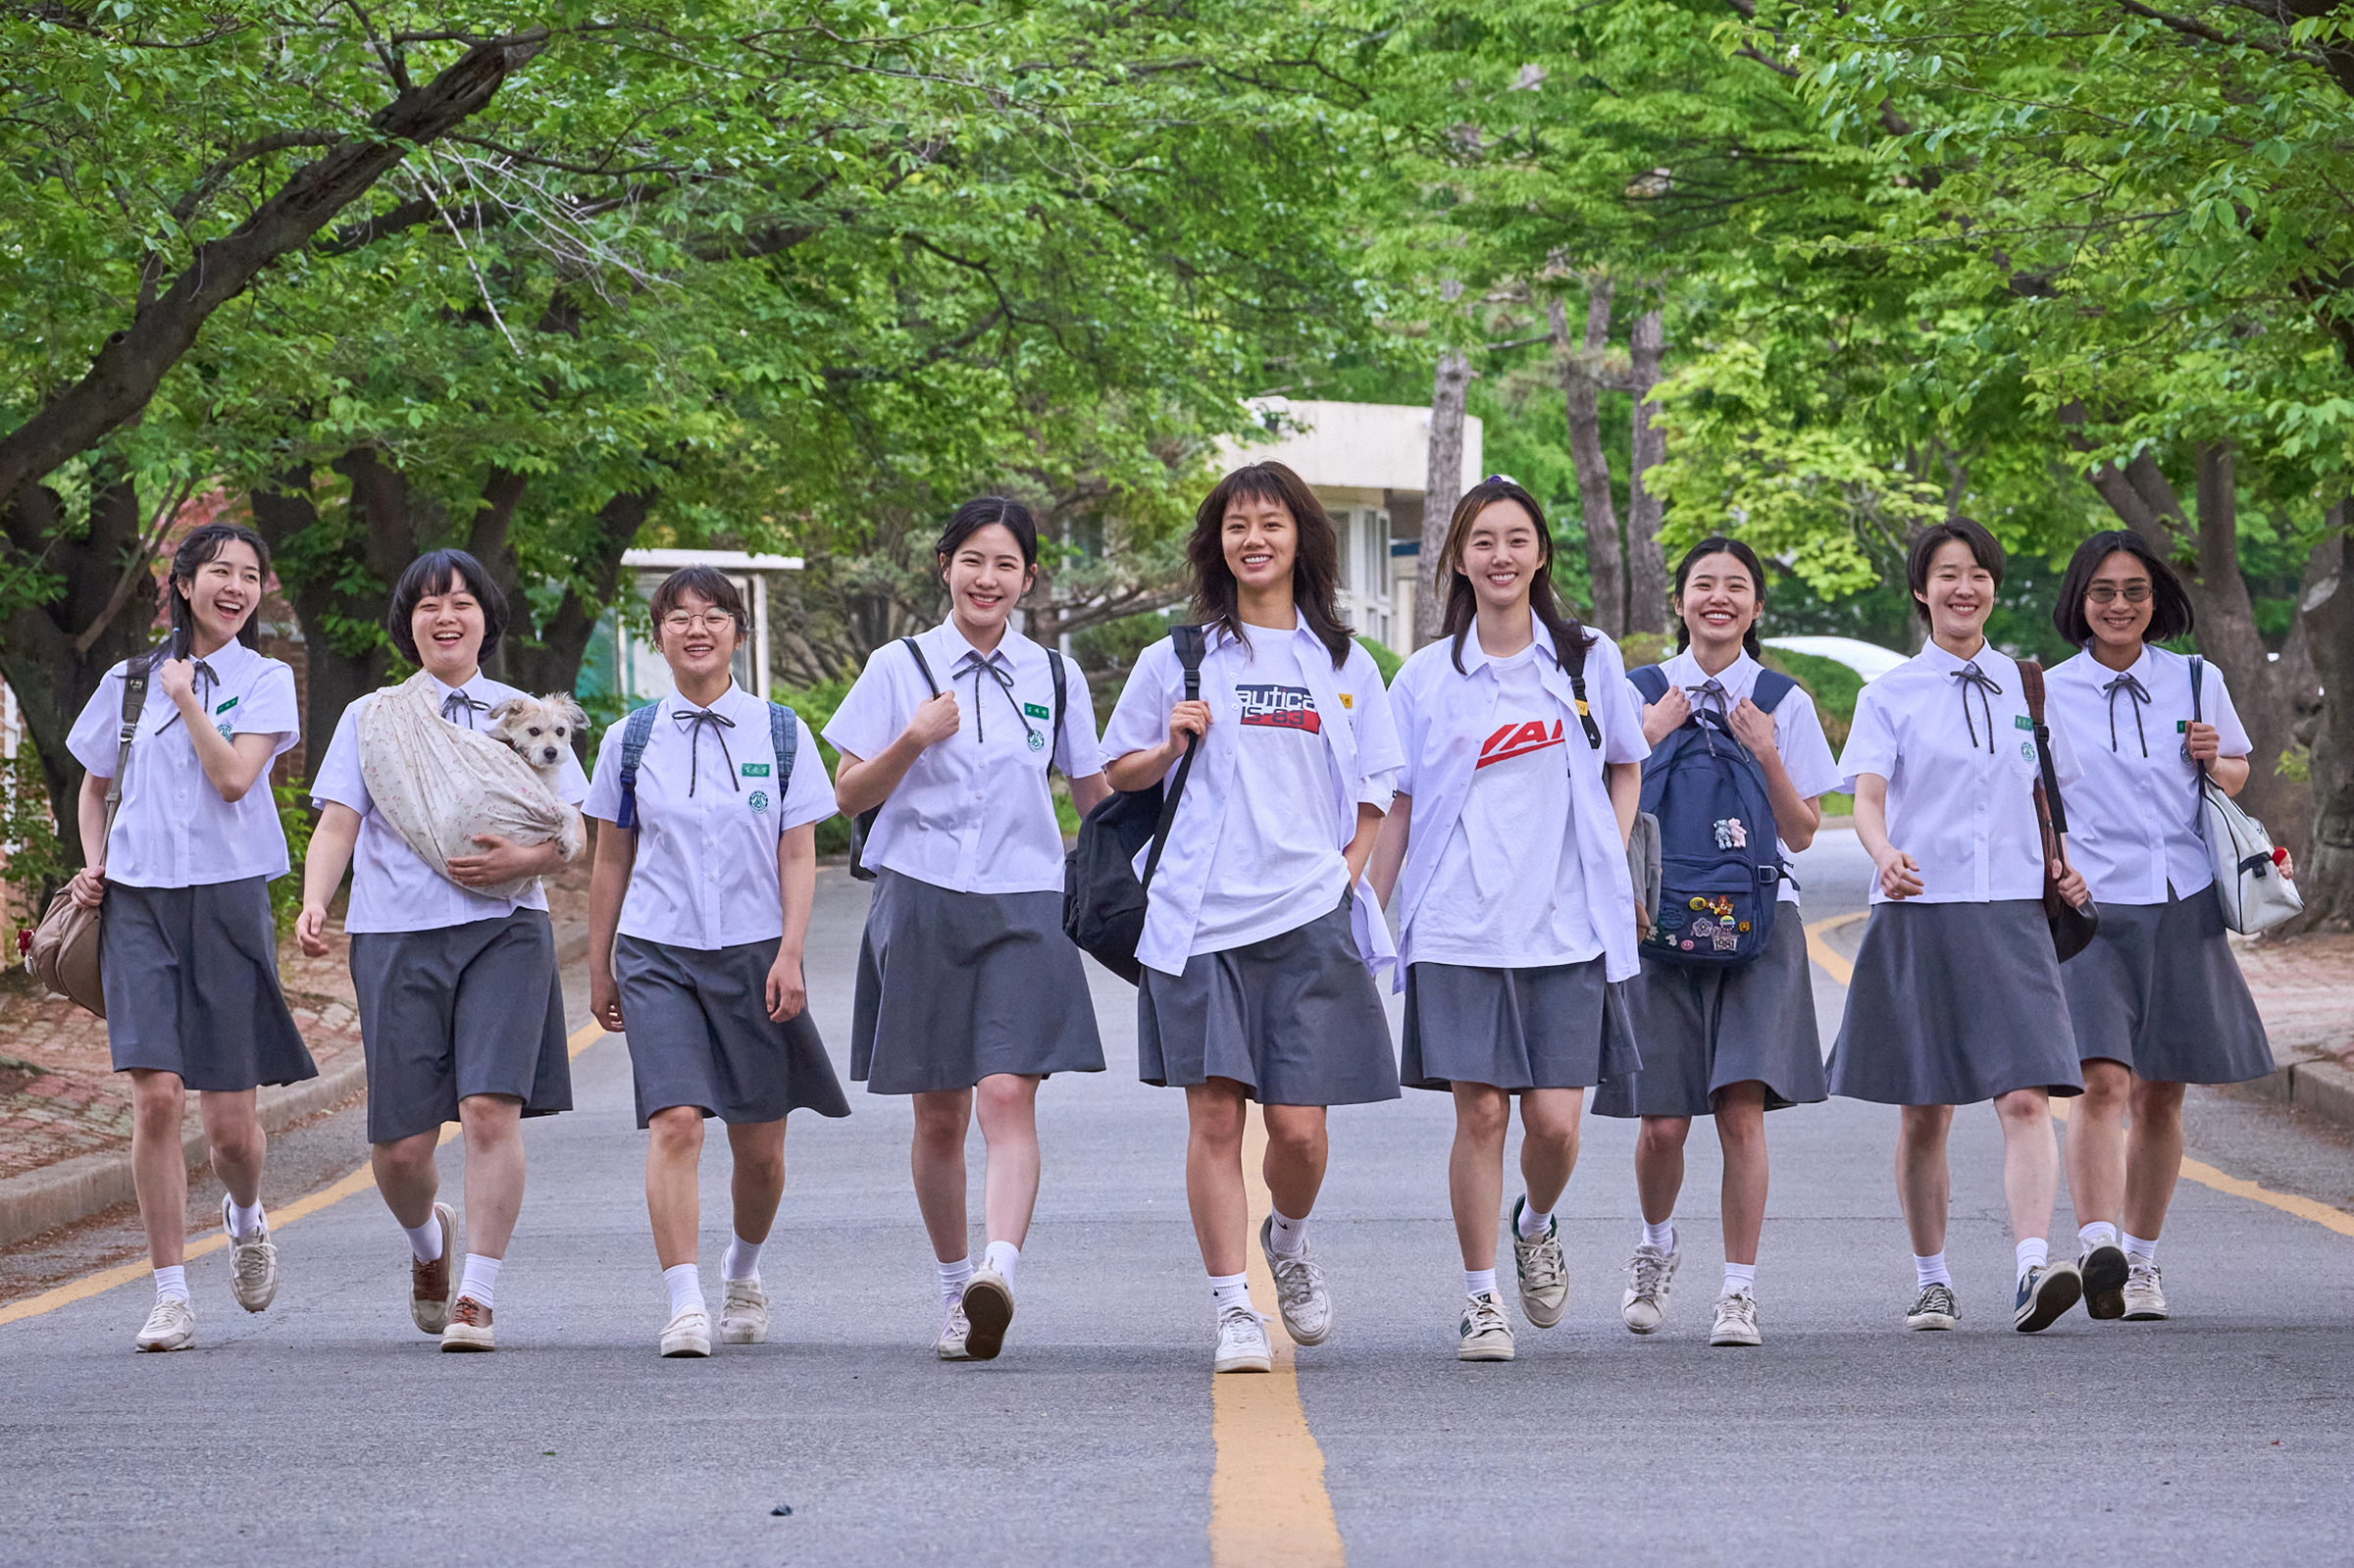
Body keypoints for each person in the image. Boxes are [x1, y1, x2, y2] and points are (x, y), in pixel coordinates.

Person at [1101, 461, 1403, 1376]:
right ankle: (1234, 1305)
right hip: (1198, 918)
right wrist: (1168, 743)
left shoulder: (1344, 662)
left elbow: (1377, 787)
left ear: (1301, 538)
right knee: (1218, 1120)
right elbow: (1117, 774)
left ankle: (1290, 1238)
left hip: (1307, 917)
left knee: (1302, 1131)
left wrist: (1341, 878)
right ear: (1216, 544)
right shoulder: (1179, 656)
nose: (1253, 539)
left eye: (1270, 523)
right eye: (1237, 525)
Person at [1368, 477, 1646, 1363]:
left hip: (1564, 928)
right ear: (1459, 556)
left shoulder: (1585, 659)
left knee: (1556, 1123)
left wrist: (1607, 850)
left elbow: (1627, 764)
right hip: (1457, 925)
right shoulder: (1425, 677)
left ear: (1540, 553)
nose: (1500, 555)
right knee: (1481, 1112)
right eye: (1483, 540)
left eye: (1516, 538)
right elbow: (1399, 804)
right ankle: (1481, 1297)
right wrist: (1369, 908)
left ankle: (1537, 1221)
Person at [825, 498, 1107, 1362]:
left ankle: (999, 1271)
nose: (989, 579)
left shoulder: (1054, 675)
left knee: (1007, 1094)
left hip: (1026, 901)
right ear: (945, 565)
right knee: (939, 1113)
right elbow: (846, 793)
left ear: (1029, 578)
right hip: (921, 898)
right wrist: (913, 737)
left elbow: (1094, 799)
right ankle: (955, 1288)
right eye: (973, 561)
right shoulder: (897, 665)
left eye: (1007, 564)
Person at [298, 549, 586, 1352]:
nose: (445, 616)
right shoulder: (374, 715)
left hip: (506, 930)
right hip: (395, 934)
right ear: (409, 624)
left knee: (490, 1109)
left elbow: (573, 833)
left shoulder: (528, 712)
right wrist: (318, 896)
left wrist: (517, 863)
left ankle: (476, 1297)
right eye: (428, 605)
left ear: (486, 617)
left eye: (460, 601)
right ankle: (430, 1243)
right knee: (399, 1148)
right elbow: (338, 823)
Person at [1829, 518, 2094, 1335]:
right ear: (1922, 589)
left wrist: (2065, 864)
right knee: (1926, 1109)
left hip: (2013, 912)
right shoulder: (1891, 694)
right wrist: (1883, 854)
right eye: (1947, 573)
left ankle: (2028, 1269)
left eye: (1978, 573)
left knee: (2024, 1096)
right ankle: (1932, 1276)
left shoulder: (2030, 687)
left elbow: (2052, 798)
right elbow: (1866, 796)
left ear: (1992, 586)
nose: (1964, 587)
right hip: (1921, 913)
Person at [587, 566, 849, 1358]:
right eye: (679, 617)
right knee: (675, 1122)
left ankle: (743, 1269)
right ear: (658, 632)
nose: (696, 629)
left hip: (754, 952)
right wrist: (600, 966)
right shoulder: (630, 739)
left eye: (712, 615)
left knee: (761, 1150)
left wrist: (792, 950)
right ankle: (685, 1301)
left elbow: (798, 852)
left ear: (738, 630)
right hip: (657, 951)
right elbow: (609, 862)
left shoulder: (780, 730)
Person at [65, 523, 311, 1351]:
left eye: (250, 574)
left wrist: (185, 698)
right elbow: (93, 791)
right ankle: (169, 1291)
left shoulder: (266, 678)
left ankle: (245, 1217)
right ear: (184, 580)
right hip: (138, 904)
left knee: (232, 1130)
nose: (236, 586)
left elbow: (237, 778)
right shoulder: (128, 680)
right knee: (158, 1096)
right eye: (220, 571)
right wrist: (95, 863)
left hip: (229, 901)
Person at [1592, 536, 1838, 1348]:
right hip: (1654, 921)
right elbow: (1597, 818)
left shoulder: (1783, 699)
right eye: (1704, 584)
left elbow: (1803, 831)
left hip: (1762, 922)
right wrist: (1649, 734)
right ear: (1681, 601)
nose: (1719, 598)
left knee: (1741, 1111)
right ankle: (1656, 1245)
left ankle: (1739, 1290)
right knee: (1663, 1123)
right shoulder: (1636, 692)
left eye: (1737, 587)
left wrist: (1766, 749)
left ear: (1757, 607)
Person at [2045, 531, 2278, 1321]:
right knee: (2101, 1080)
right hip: (2092, 905)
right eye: (2104, 590)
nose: (2119, 604)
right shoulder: (2044, 691)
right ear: (2080, 599)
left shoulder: (2195, 677)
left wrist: (2218, 759)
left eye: (2135, 590)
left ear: (2157, 600)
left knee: (2163, 1090)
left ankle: (2141, 1263)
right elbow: (2032, 795)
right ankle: (2099, 1244)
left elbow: (2239, 770)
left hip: (2184, 897)